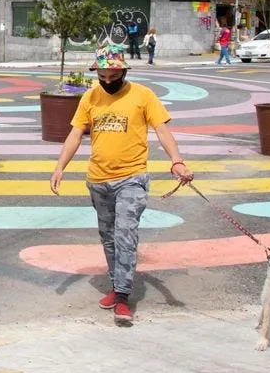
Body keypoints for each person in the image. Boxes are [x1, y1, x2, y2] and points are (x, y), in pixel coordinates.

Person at [50, 44, 194, 325]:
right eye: (102, 77)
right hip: (98, 180)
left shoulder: (143, 95)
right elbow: (75, 134)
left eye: (113, 77)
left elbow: (162, 130)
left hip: (132, 178)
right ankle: (116, 285)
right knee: (109, 238)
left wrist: (177, 161)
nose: (107, 83)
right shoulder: (90, 97)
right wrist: (59, 167)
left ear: (124, 71)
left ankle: (123, 297)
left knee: (125, 234)